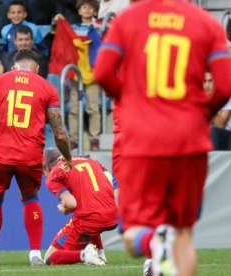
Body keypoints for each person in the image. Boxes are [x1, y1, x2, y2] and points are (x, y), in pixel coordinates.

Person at [94, 0, 231, 275]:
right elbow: (226, 84)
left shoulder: (127, 20)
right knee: (182, 235)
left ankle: (155, 243)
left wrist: (134, 101)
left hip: (143, 140)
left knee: (134, 236)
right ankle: (163, 245)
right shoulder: (205, 22)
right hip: (190, 140)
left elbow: (102, 72)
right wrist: (200, 113)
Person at [0, 49, 72, 266]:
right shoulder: (47, 87)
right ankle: (35, 253)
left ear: (13, 67)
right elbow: (60, 133)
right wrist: (67, 157)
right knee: (31, 198)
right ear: (36, 69)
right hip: (30, 156)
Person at [42, 147, 118, 266]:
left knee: (49, 258)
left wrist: (64, 209)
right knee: (89, 212)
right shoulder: (91, 161)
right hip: (113, 216)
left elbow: (71, 204)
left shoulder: (54, 174)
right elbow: (113, 180)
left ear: (46, 167)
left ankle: (84, 255)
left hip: (90, 219)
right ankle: (100, 254)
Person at [68, 0, 101, 151]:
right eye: (84, 7)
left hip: (93, 73)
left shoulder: (99, 27)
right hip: (75, 72)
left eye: (90, 7)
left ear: (95, 11)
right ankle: (73, 139)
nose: (87, 10)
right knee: (74, 107)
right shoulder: (72, 28)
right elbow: (61, 37)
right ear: (79, 11)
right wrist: (58, 22)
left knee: (93, 107)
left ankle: (94, 138)